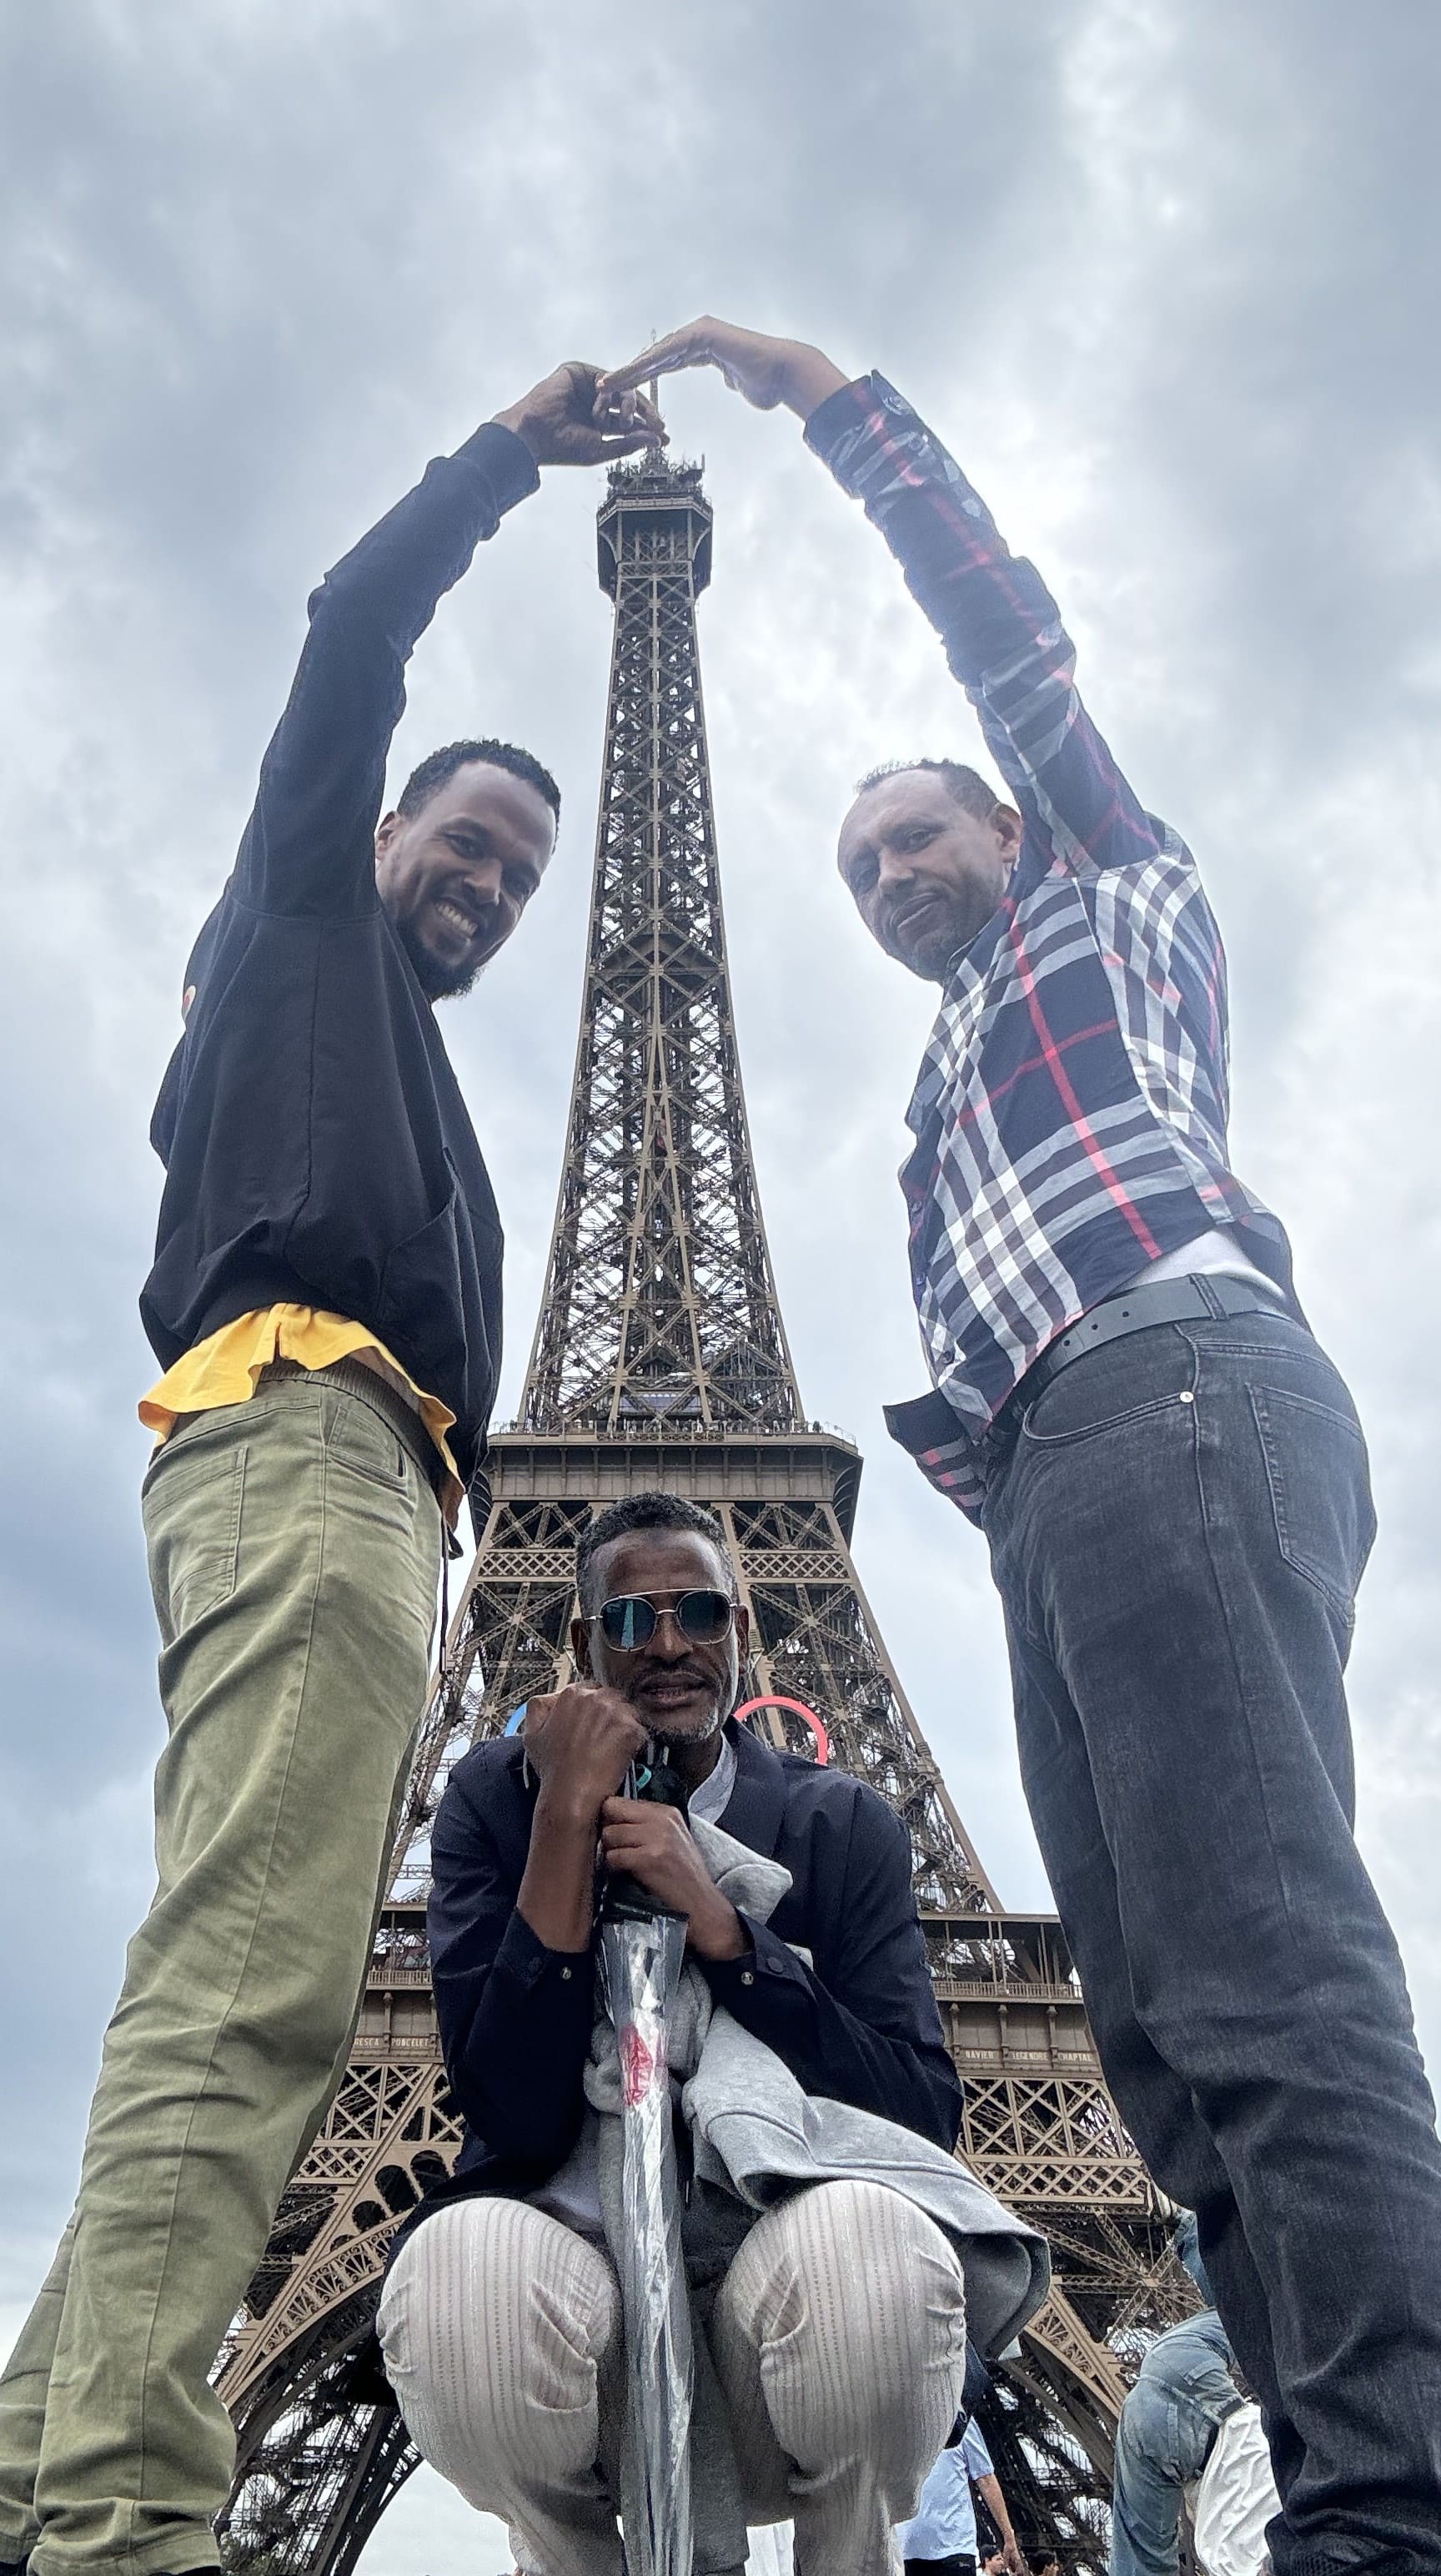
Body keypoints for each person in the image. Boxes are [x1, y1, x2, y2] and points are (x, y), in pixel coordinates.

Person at [600, 319, 1441, 2576]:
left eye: (921, 829)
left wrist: (825, 404)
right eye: (861, 860)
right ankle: (1338, 2489)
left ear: (1011, 823)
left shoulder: (1112, 892)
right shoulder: (943, 1083)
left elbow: (1014, 639)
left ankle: (1391, 2514)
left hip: (1174, 1384)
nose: (893, 868)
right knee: (1155, 2048)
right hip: (1064, 1471)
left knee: (1260, 1970)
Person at [0, 360, 666, 2576]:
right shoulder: (301, 921)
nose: (487, 880)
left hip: (372, 1477)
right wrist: (503, 461)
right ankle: (118, 2518)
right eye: (463, 839)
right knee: (259, 1990)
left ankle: (41, 2477)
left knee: (249, 1982)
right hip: (302, 1434)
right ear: (377, 832)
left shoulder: (406, 1082)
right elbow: (345, 638)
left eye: (519, 874)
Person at [377, 1490, 1048, 2576]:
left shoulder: (839, 1823)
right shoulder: (498, 1804)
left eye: (696, 1611)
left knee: (874, 2252)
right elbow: (509, 2114)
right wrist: (563, 1820)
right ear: (582, 1646)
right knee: (462, 2279)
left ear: (741, 1626)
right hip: (577, 2315)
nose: (667, 1645)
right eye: (629, 1620)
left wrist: (727, 1931)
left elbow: (919, 2116)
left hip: (790, 2311)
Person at [1112, 2221, 1275, 2576]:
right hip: (1195, 2413)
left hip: (1209, 2407)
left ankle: (1200, 2223)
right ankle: (1197, 2227)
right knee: (1141, 2559)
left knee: (1263, 2316)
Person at [895, 2415, 1027, 2576]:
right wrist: (1008, 2535)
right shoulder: (958, 2418)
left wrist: (1008, 2536)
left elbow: (985, 2477)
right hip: (911, 2550)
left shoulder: (960, 2419)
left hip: (948, 2548)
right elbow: (985, 2479)